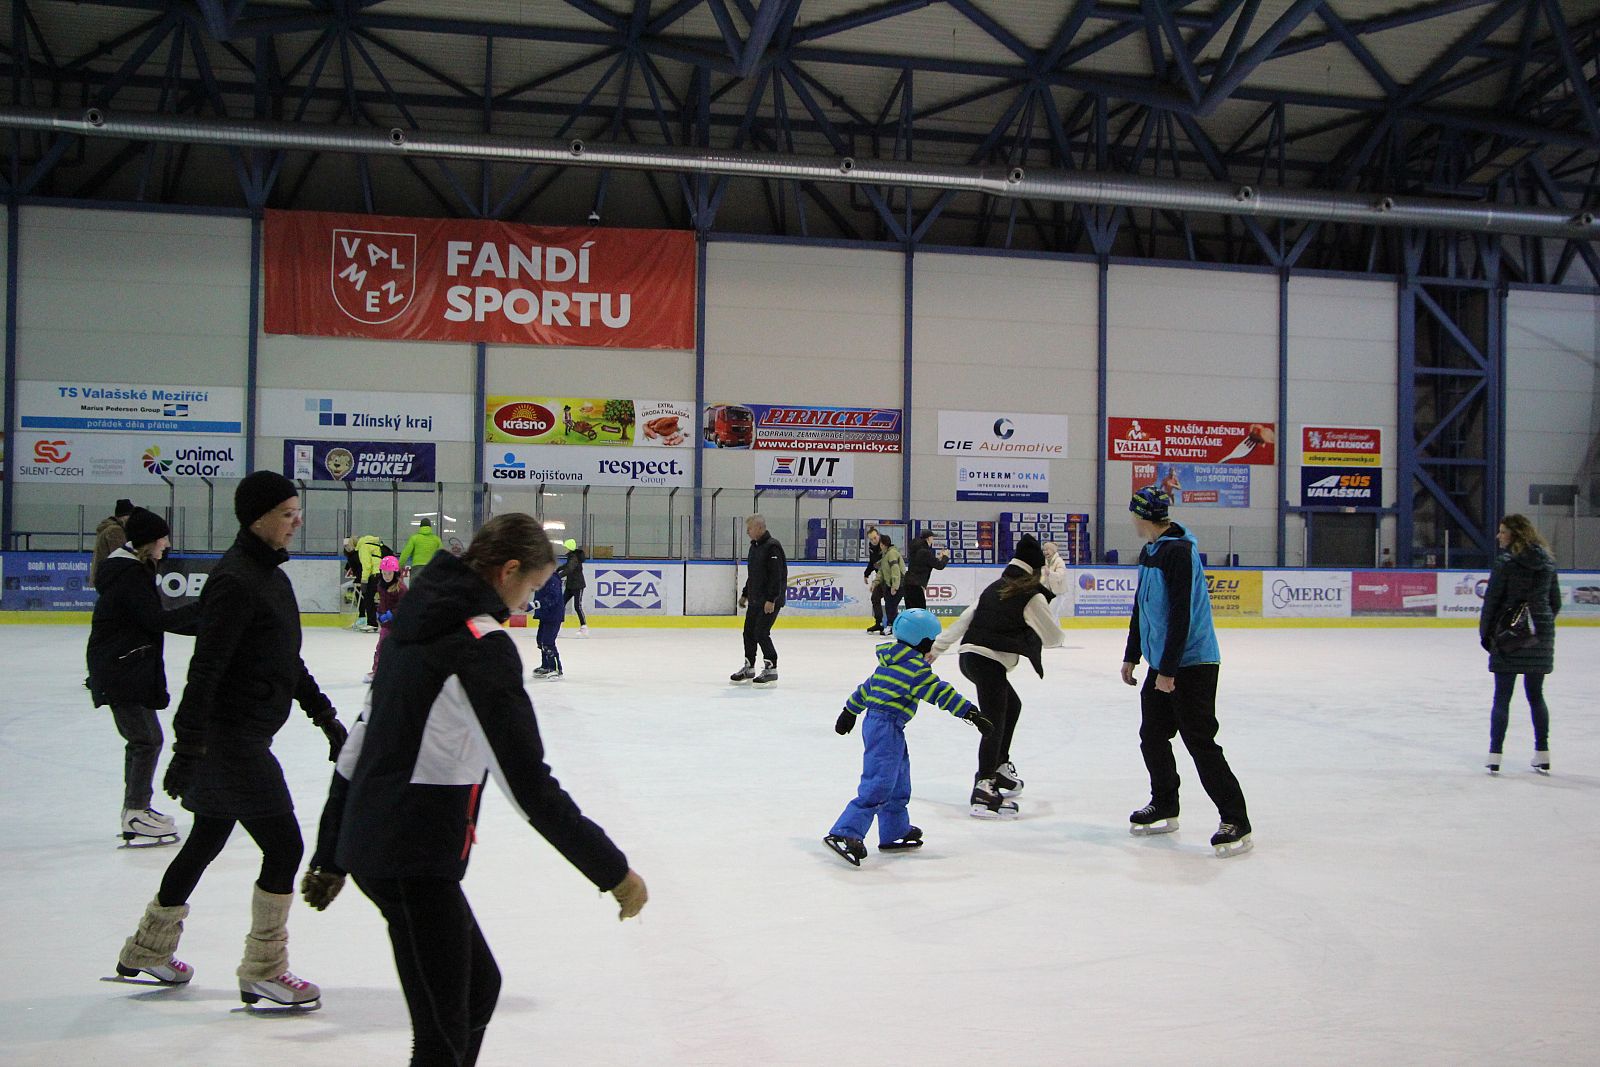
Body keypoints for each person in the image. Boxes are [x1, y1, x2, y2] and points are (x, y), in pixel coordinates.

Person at [300, 513, 647, 1066]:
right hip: (411, 854)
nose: (530, 602)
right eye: (533, 587)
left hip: (385, 844)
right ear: (508, 571)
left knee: (476, 992)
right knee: (445, 1028)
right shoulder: (479, 645)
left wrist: (330, 853)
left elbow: (356, 745)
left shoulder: (416, 623)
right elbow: (528, 784)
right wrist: (613, 871)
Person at [114, 471, 348, 1006]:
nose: (297, 521)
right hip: (230, 739)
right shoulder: (237, 580)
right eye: (287, 513)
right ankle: (264, 968)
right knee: (285, 847)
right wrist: (186, 750)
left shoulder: (269, 577)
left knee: (206, 838)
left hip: (241, 736)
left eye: (297, 511)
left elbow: (287, 659)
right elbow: (206, 670)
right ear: (257, 518)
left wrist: (324, 716)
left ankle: (147, 948)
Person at [1121, 486, 1252, 858]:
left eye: (1134, 514)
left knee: (1200, 742)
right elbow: (1142, 606)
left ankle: (1236, 819)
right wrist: (1132, 654)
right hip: (1163, 662)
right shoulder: (1151, 551)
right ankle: (1164, 803)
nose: (1132, 520)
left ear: (1142, 516)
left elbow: (1182, 613)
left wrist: (1168, 670)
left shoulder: (1178, 552)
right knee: (1153, 735)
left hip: (1192, 664)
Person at [824, 609, 990, 866]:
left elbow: (866, 689)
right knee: (879, 782)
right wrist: (971, 713)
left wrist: (850, 711)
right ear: (922, 641)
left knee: (899, 782)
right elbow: (940, 692)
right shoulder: (915, 669)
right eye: (931, 641)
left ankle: (894, 830)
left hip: (886, 726)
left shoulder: (891, 661)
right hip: (885, 727)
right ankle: (845, 831)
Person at [87, 507, 200, 846]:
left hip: (126, 665)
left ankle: (136, 809)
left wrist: (205, 626)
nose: (167, 544)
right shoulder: (129, 575)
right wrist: (206, 609)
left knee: (143, 740)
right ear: (148, 541)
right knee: (146, 740)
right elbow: (157, 619)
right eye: (163, 538)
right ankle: (136, 811)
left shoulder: (130, 570)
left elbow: (153, 620)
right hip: (121, 668)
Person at [928, 534, 1061, 819]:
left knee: (1012, 706)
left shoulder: (995, 587)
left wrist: (937, 648)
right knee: (994, 722)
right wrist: (1031, 625)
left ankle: (999, 767)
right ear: (1036, 569)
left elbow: (965, 619)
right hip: (989, 661)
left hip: (969, 659)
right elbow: (1054, 638)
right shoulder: (1032, 595)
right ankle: (984, 787)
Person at [1479, 514, 1560, 775]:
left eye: (1503, 531)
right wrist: (1539, 627)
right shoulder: (1547, 562)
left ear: (1515, 534)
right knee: (1536, 695)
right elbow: (1555, 602)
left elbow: (1492, 601)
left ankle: (1495, 755)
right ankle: (1542, 753)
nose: (1498, 536)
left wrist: (1486, 635)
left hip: (1509, 636)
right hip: (1540, 635)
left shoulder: (1506, 563)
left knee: (1502, 697)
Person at [731, 514, 786, 685]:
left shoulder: (772, 547)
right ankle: (749, 667)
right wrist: (745, 594)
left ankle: (771, 668)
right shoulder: (754, 547)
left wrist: (771, 599)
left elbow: (777, 576)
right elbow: (754, 575)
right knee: (748, 632)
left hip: (769, 601)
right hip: (755, 600)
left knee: (761, 632)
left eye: (750, 528)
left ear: (760, 528)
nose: (747, 531)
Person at [365, 555, 407, 685]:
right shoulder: (381, 586)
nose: (386, 576)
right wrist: (379, 612)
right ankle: (377, 671)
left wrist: (391, 614)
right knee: (381, 647)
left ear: (395, 573)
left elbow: (405, 606)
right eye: (384, 573)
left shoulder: (401, 588)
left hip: (400, 625)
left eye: (389, 573)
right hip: (387, 625)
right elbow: (382, 602)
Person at [90, 497, 137, 584]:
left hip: (105, 576)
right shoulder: (115, 530)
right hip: (111, 578)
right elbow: (120, 556)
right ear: (124, 517)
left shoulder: (109, 529)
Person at [531, 564, 565, 679]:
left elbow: (553, 597)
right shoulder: (542, 578)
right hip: (544, 615)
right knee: (540, 641)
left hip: (553, 615)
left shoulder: (552, 578)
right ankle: (546, 666)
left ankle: (556, 669)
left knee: (548, 642)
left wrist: (535, 604)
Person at [902, 530, 949, 610]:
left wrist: (940, 558)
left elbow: (926, 562)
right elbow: (939, 566)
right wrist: (945, 557)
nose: (933, 539)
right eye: (932, 537)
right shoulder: (925, 552)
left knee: (911, 611)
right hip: (916, 586)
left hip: (908, 583)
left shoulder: (916, 550)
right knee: (920, 611)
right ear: (928, 538)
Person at [874, 533, 905, 634]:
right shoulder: (886, 554)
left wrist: (895, 586)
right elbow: (882, 571)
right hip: (891, 584)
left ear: (882, 544)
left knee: (891, 605)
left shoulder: (892, 553)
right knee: (890, 605)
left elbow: (895, 570)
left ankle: (892, 626)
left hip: (899, 584)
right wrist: (875, 582)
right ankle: (892, 626)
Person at [559, 538, 588, 634]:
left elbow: (569, 568)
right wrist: (558, 569)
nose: (565, 549)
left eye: (566, 547)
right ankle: (558, 624)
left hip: (578, 585)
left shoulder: (574, 557)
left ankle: (584, 627)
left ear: (569, 548)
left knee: (577, 606)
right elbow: (567, 566)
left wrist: (559, 575)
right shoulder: (571, 556)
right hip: (570, 585)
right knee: (561, 604)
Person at [862, 526, 886, 634]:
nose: (873, 540)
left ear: (878, 536)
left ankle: (891, 625)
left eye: (875, 538)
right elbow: (872, 562)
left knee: (890, 601)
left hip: (888, 578)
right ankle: (879, 623)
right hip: (879, 578)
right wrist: (866, 574)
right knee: (875, 598)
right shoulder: (872, 547)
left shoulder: (885, 545)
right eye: (871, 539)